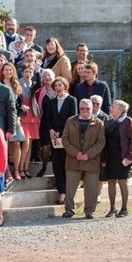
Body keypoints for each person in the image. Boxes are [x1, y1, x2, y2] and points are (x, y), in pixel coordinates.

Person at [61, 99, 105, 219]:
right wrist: (76, 153)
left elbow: (101, 142)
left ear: (92, 109)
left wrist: (88, 154)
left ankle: (89, 211)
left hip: (91, 161)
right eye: (82, 108)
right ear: (79, 109)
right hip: (73, 160)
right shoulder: (70, 121)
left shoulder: (99, 123)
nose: (85, 110)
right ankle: (69, 210)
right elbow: (65, 140)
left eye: (87, 108)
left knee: (91, 189)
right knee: (70, 189)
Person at [40, 76, 77, 205]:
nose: (57, 88)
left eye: (60, 85)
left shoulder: (72, 100)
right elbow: (48, 119)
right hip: (55, 139)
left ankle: (69, 192)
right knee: (57, 165)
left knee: (67, 165)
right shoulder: (51, 102)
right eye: (55, 86)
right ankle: (61, 193)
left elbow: (72, 119)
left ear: (65, 86)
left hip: (68, 138)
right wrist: (51, 130)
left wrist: (61, 132)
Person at [103, 100, 132, 218]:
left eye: (113, 106)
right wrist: (104, 159)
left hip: (123, 156)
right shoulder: (109, 121)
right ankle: (112, 208)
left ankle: (124, 208)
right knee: (111, 181)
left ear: (121, 109)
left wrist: (129, 156)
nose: (111, 108)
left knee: (122, 181)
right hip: (110, 156)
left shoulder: (128, 121)